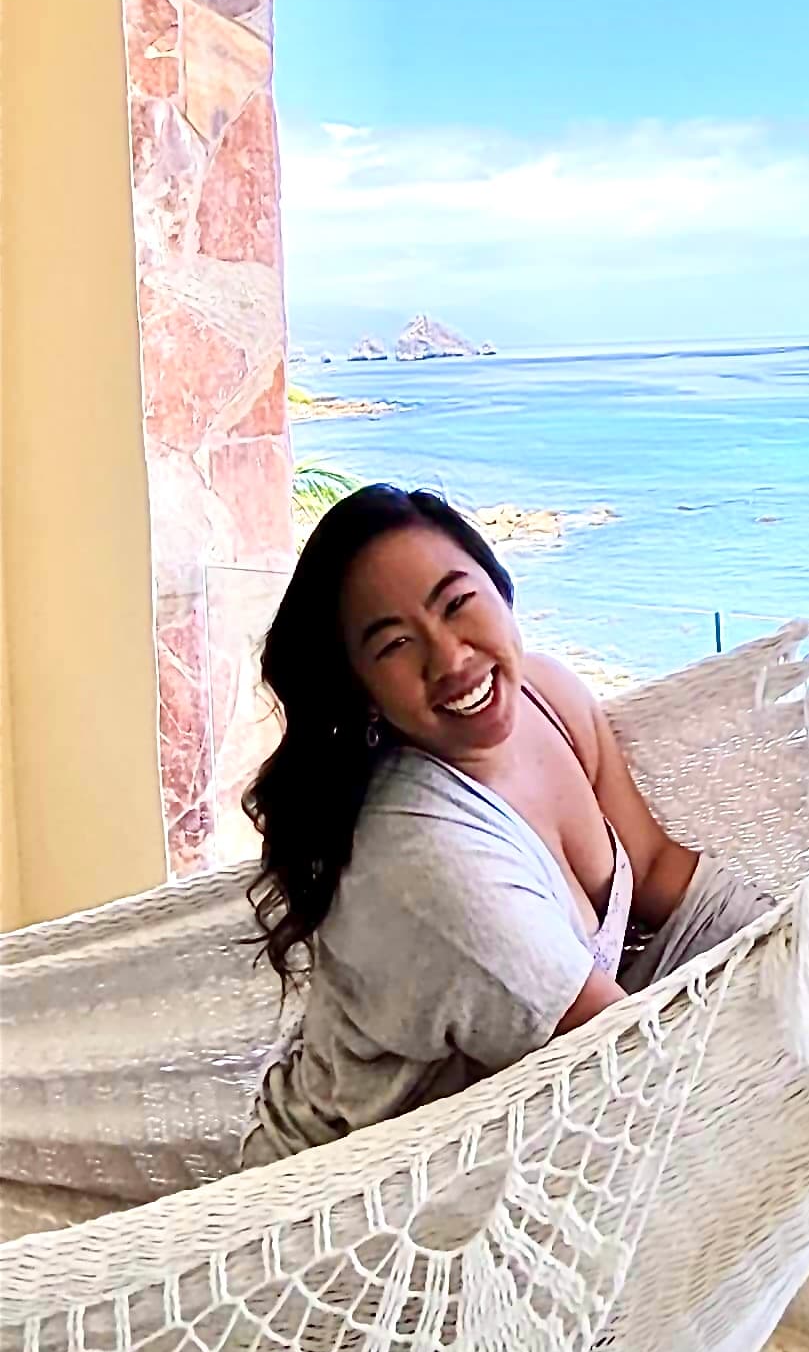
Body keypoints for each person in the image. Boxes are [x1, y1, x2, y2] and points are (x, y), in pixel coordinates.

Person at [240, 483, 766, 1164]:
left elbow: (662, 871)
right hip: (357, 1206)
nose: (450, 659)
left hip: (517, 1140)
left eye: (457, 603)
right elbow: (628, 1064)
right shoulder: (427, 861)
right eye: (395, 644)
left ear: (500, 586)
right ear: (361, 687)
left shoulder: (549, 697)